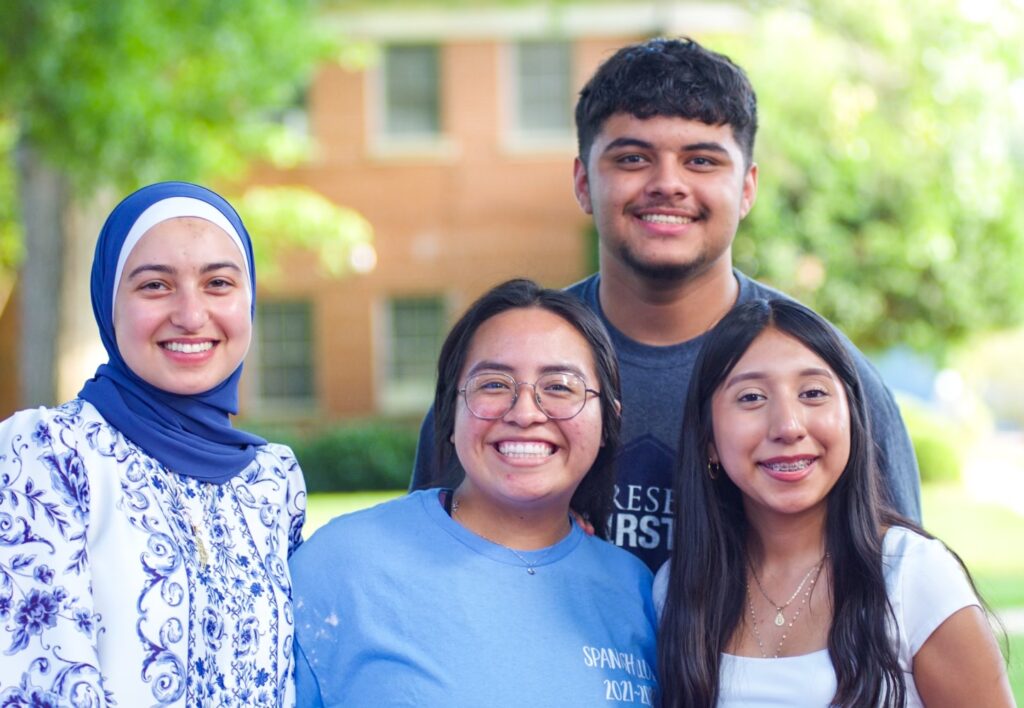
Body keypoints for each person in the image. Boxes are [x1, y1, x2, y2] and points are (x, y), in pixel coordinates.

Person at [410, 37, 921, 571]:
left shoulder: (825, 379)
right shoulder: (505, 364)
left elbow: (897, 596)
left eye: (701, 160)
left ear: (747, 189)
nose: (667, 184)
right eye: (633, 158)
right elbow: (426, 562)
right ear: (584, 182)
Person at [0, 182, 306, 706]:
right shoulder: (48, 453)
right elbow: (38, 683)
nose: (190, 315)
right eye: (155, 286)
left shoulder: (273, 480)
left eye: (218, 283)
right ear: (107, 302)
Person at [290, 279, 657, 707]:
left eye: (559, 386)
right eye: (494, 384)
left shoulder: (636, 590)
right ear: (448, 412)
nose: (525, 413)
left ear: (607, 422)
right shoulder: (342, 563)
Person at [654, 298, 1012, 707]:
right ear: (709, 441)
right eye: (751, 398)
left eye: (813, 393)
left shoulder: (912, 574)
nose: (788, 426)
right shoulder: (678, 589)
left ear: (852, 418)